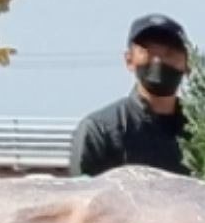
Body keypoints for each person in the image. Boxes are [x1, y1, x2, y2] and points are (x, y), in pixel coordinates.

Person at [69, 15, 193, 176]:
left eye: (169, 53)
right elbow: (82, 189)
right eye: (148, 52)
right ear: (129, 60)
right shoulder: (101, 130)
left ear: (188, 63)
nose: (159, 61)